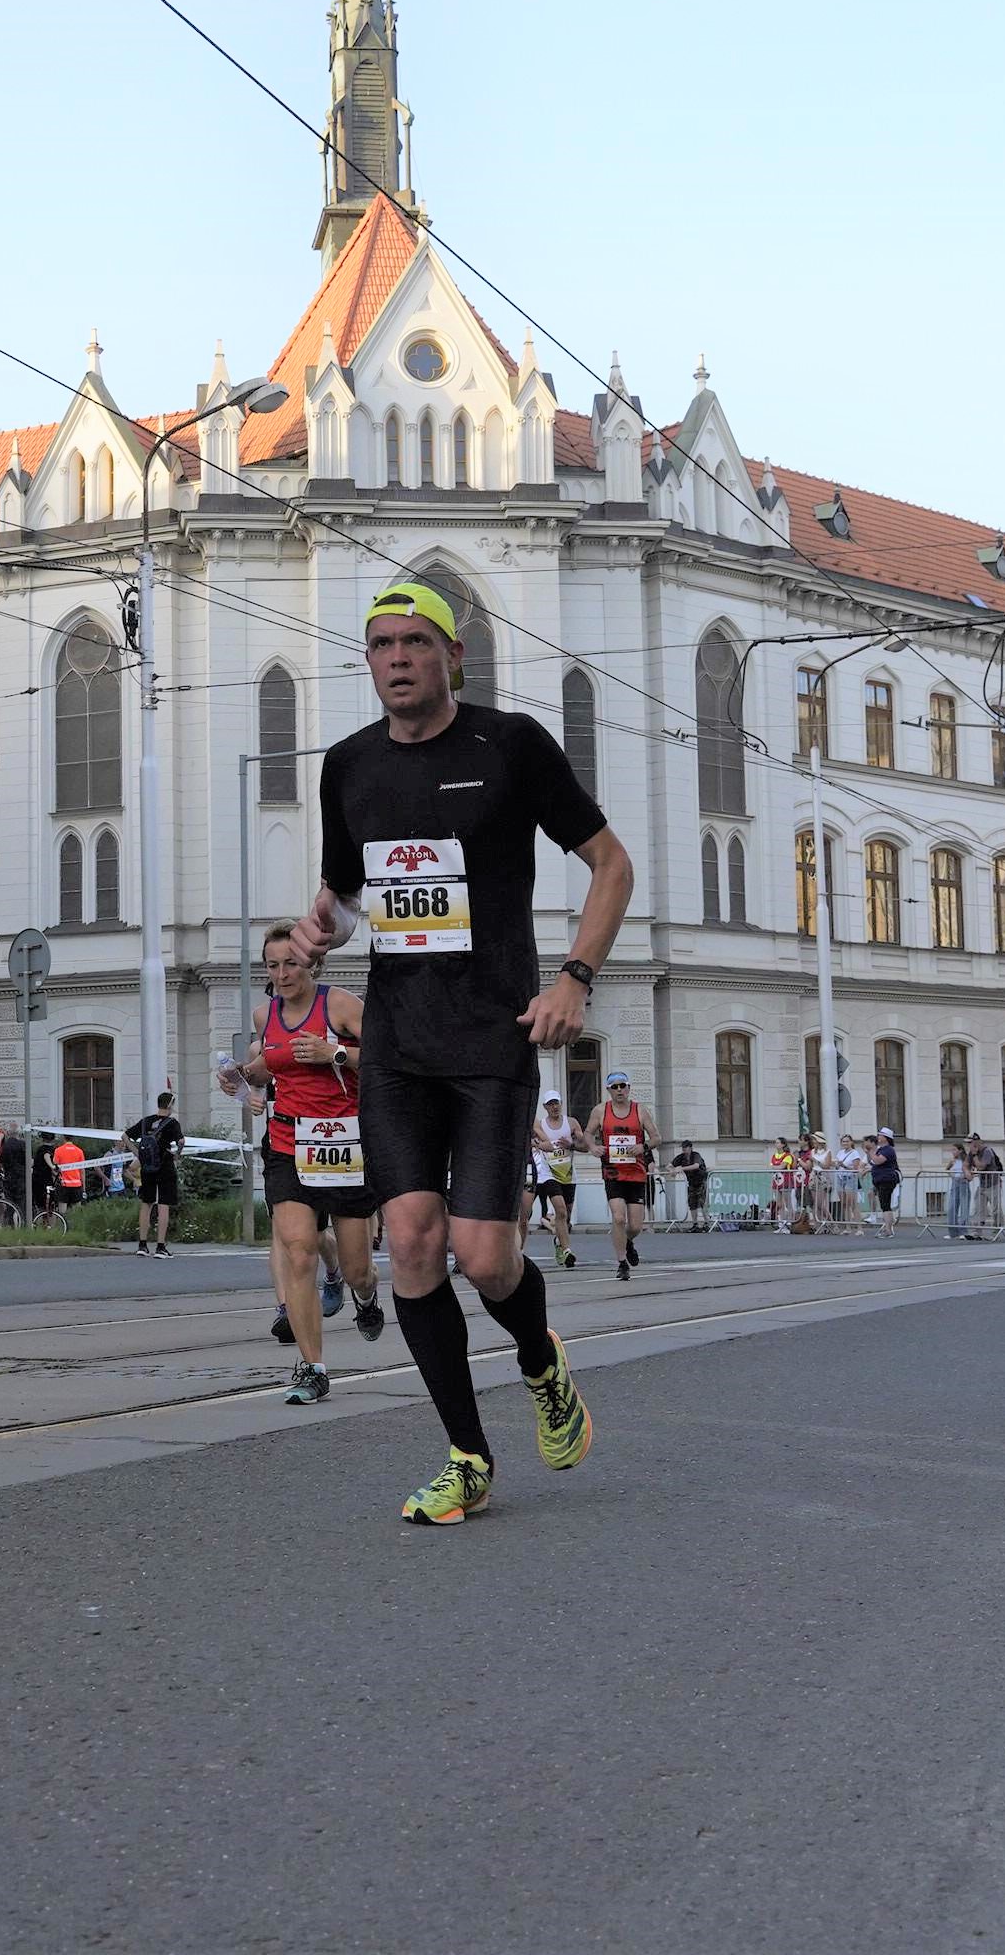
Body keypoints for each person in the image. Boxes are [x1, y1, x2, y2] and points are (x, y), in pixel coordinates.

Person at [293, 576, 632, 1526]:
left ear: (453, 656)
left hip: (494, 1034)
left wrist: (575, 978)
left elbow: (612, 863)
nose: (396, 658)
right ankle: (467, 1456)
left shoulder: (510, 745)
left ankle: (540, 1363)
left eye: (414, 642)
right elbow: (351, 890)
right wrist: (323, 924)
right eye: (380, 645)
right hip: (397, 1042)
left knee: (486, 1259)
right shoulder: (348, 765)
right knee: (411, 1242)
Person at [222, 925, 387, 1401]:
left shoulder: (340, 1005)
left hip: (344, 1147)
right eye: (272, 966)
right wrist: (239, 1080)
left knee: (358, 1267)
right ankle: (312, 1367)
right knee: (299, 1252)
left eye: (290, 964)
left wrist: (332, 1050)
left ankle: (365, 1294)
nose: (282, 974)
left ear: (312, 962)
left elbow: (389, 1055)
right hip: (288, 1145)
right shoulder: (264, 1014)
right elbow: (264, 1068)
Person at [590, 1071, 658, 1280]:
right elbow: (587, 1133)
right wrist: (594, 1146)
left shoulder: (640, 1111)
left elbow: (657, 1137)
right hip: (612, 1172)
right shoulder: (601, 1111)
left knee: (636, 1225)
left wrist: (643, 1146)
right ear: (609, 1090)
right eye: (615, 1087)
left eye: (622, 1086)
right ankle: (621, 1263)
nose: (619, 1090)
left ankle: (628, 1242)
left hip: (636, 1173)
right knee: (618, 1218)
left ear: (628, 1088)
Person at [123, 1093, 187, 1257]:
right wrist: (177, 1154)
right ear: (170, 1105)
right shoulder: (172, 1123)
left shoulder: (146, 1121)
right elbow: (181, 1141)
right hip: (165, 1165)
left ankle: (142, 1245)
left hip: (147, 1166)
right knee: (164, 1204)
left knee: (146, 1203)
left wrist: (137, 1153)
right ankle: (160, 1247)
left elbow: (124, 1136)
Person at [529, 1091, 582, 1267]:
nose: (554, 1107)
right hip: (547, 1174)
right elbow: (537, 1142)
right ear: (545, 1107)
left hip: (567, 1174)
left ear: (561, 1103)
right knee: (559, 1211)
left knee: (565, 1215)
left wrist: (572, 1145)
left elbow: (585, 1145)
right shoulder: (541, 1125)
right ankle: (567, 1251)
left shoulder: (571, 1123)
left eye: (556, 1103)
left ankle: (559, 1243)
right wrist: (540, 1145)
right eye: (550, 1104)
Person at [865, 1128, 902, 1230]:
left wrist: (871, 1150)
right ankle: (887, 1228)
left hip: (886, 1179)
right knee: (884, 1204)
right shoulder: (881, 1149)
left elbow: (877, 1161)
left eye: (880, 1135)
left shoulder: (888, 1150)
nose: (878, 1137)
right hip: (880, 1180)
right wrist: (869, 1152)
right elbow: (872, 1161)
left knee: (885, 1205)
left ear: (886, 1138)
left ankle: (888, 1229)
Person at [670, 1141, 710, 1229]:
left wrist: (681, 1168)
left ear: (690, 1147)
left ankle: (707, 1222)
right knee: (692, 1203)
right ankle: (695, 1224)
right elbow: (670, 1165)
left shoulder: (696, 1155)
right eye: (683, 1147)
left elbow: (696, 1165)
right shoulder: (681, 1157)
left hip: (701, 1181)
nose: (684, 1149)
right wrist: (672, 1170)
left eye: (686, 1147)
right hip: (691, 1182)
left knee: (702, 1202)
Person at [971, 1135, 1005, 1236]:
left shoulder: (987, 1151)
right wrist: (967, 1173)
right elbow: (966, 1164)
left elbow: (981, 1167)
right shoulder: (972, 1152)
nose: (970, 1145)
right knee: (978, 1208)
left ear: (978, 1142)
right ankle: (976, 1232)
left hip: (993, 1184)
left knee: (996, 1209)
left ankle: (997, 1230)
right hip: (982, 1185)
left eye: (971, 1142)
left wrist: (974, 1156)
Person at [944, 1139, 973, 1240]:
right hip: (955, 1183)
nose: (953, 1152)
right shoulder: (953, 1161)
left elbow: (972, 1171)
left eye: (954, 1150)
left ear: (960, 1150)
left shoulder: (966, 1160)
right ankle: (953, 1232)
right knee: (952, 1207)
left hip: (963, 1183)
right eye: (952, 1150)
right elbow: (947, 1169)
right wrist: (952, 1175)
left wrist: (966, 1176)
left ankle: (963, 1231)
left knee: (964, 1208)